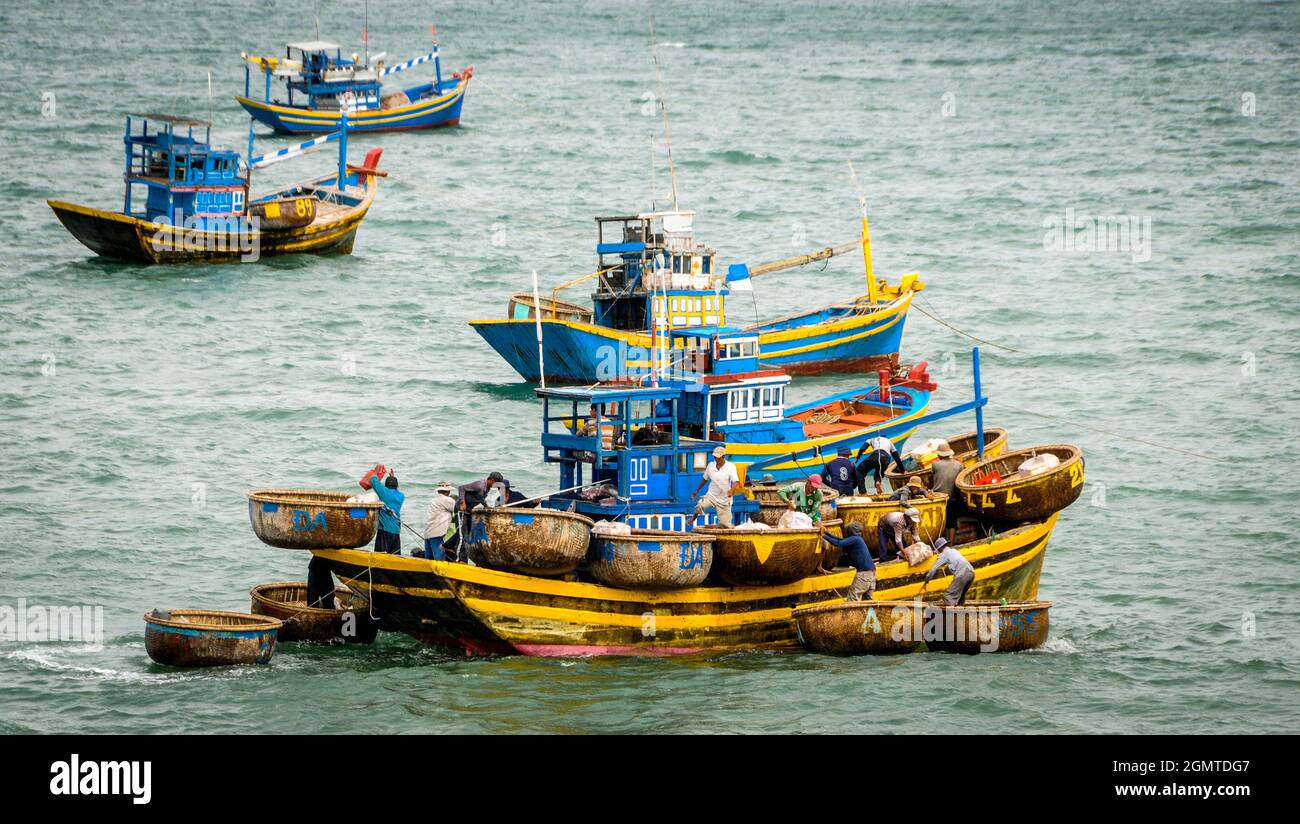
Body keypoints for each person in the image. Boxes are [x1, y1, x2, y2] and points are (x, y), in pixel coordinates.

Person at [453, 472, 510, 562]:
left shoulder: (487, 488)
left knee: (467, 535)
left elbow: (480, 498)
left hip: (469, 511)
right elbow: (461, 488)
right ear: (492, 480)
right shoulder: (479, 485)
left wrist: (486, 506)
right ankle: (459, 559)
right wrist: (462, 502)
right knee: (461, 535)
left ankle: (457, 555)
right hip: (461, 510)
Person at [820, 522, 877, 601]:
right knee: (867, 601)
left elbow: (838, 543)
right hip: (872, 573)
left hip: (864, 574)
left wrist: (823, 535)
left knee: (852, 599)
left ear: (851, 531)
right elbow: (840, 540)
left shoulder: (855, 539)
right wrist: (826, 533)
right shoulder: (858, 539)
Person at [687, 446, 741, 528]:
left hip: (724, 499)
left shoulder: (731, 466)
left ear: (723, 457)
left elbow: (736, 481)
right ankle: (693, 518)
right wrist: (697, 490)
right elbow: (705, 479)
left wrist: (731, 490)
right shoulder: (710, 466)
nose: (716, 460)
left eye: (718, 458)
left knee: (726, 526)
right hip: (712, 495)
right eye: (715, 457)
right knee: (700, 505)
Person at [928, 440, 965, 545]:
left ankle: (940, 541)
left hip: (938, 497)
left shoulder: (935, 464)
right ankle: (951, 543)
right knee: (952, 520)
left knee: (941, 521)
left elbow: (932, 479)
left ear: (939, 454)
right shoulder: (959, 465)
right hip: (953, 496)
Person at [922, 537, 975, 605]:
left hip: (963, 574)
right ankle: (960, 614)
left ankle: (951, 615)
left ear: (939, 549)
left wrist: (926, 581)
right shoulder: (954, 551)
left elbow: (932, 570)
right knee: (960, 597)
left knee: (948, 596)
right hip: (971, 573)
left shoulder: (943, 554)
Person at [370, 469, 405, 554]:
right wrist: (392, 477)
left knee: (381, 555)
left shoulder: (384, 493)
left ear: (386, 486)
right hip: (396, 531)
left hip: (385, 530)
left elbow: (373, 481)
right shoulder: (401, 496)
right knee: (395, 556)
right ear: (396, 486)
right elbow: (395, 490)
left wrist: (375, 471)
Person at [423, 481, 456, 560]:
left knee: (429, 560)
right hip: (437, 534)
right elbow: (459, 509)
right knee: (439, 560)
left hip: (427, 533)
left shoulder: (434, 500)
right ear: (448, 491)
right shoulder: (448, 500)